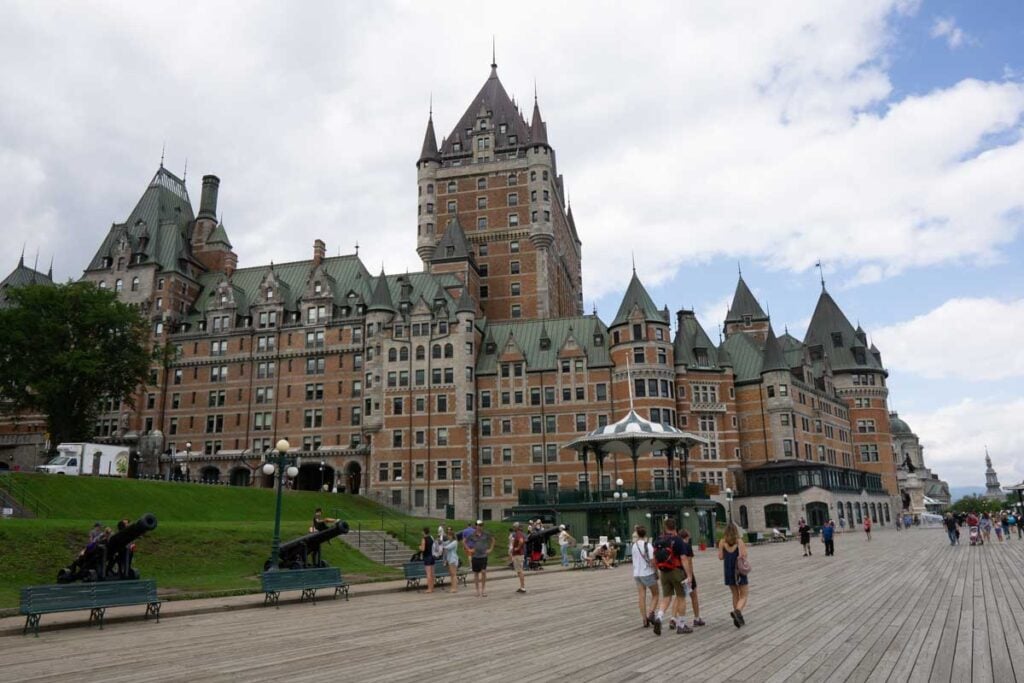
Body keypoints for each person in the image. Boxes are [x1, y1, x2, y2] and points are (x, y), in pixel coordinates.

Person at [652, 518, 691, 635]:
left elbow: (654, 558)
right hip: (676, 571)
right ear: (675, 527)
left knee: (666, 597)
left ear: (665, 527)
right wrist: (688, 575)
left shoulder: (658, 539)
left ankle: (659, 617)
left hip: (664, 571)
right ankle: (681, 625)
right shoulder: (678, 540)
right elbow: (684, 558)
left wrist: (656, 571)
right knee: (681, 597)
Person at [718, 521, 749, 628]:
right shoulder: (739, 541)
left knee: (735, 594)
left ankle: (738, 618)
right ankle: (738, 611)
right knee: (744, 595)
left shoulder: (722, 542)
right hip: (738, 570)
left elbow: (721, 557)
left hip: (728, 569)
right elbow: (744, 555)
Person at [631, 525, 659, 628]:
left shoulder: (634, 546)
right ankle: (651, 613)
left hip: (637, 573)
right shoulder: (648, 545)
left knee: (641, 596)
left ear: (637, 534)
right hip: (647, 572)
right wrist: (656, 572)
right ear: (645, 534)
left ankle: (644, 620)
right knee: (656, 594)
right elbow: (652, 561)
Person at [678, 529, 705, 626]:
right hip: (686, 573)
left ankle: (673, 618)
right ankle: (697, 618)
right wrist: (690, 575)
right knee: (694, 596)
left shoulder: (676, 545)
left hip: (677, 572)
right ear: (687, 537)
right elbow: (689, 562)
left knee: (679, 597)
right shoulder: (687, 546)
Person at [463, 520, 494, 597]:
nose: (479, 527)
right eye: (478, 525)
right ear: (475, 526)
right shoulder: (472, 535)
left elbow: (493, 540)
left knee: (483, 572)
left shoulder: (486, 534)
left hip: (483, 556)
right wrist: (469, 549)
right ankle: (477, 591)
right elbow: (464, 541)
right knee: (476, 573)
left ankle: (483, 590)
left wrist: (490, 549)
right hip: (475, 556)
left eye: (481, 525)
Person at [442, 526, 460, 593]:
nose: (448, 537)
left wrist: (443, 546)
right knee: (451, 574)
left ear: (452, 536)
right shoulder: (449, 541)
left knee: (453, 574)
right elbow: (442, 544)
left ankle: (454, 588)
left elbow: (446, 547)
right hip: (450, 559)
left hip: (453, 559)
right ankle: (452, 587)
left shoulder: (454, 542)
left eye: (449, 535)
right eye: (448, 535)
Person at [510, 521, 526, 593]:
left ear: (516, 527)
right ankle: (522, 586)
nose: (513, 528)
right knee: (519, 571)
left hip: (518, 555)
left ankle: (522, 587)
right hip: (519, 554)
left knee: (520, 571)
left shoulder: (518, 534)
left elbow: (521, 541)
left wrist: (517, 548)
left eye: (514, 527)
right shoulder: (520, 533)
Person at [419, 527, 436, 593]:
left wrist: (420, 547)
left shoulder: (424, 539)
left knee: (428, 574)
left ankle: (429, 589)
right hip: (432, 556)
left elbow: (423, 549)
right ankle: (432, 587)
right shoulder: (431, 537)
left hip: (427, 557)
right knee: (432, 574)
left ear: (424, 532)